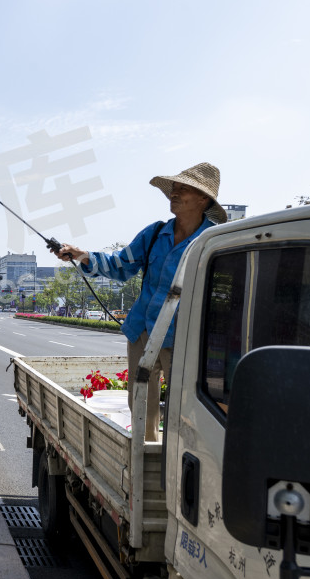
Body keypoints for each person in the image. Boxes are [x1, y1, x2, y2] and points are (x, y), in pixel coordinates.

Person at [53, 162, 227, 441]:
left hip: (184, 335)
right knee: (140, 403)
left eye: (183, 189)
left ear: (203, 199)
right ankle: (145, 454)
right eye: (174, 188)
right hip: (143, 330)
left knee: (186, 407)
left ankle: (182, 464)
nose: (174, 193)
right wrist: (82, 255)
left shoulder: (213, 241)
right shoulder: (155, 234)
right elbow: (121, 266)